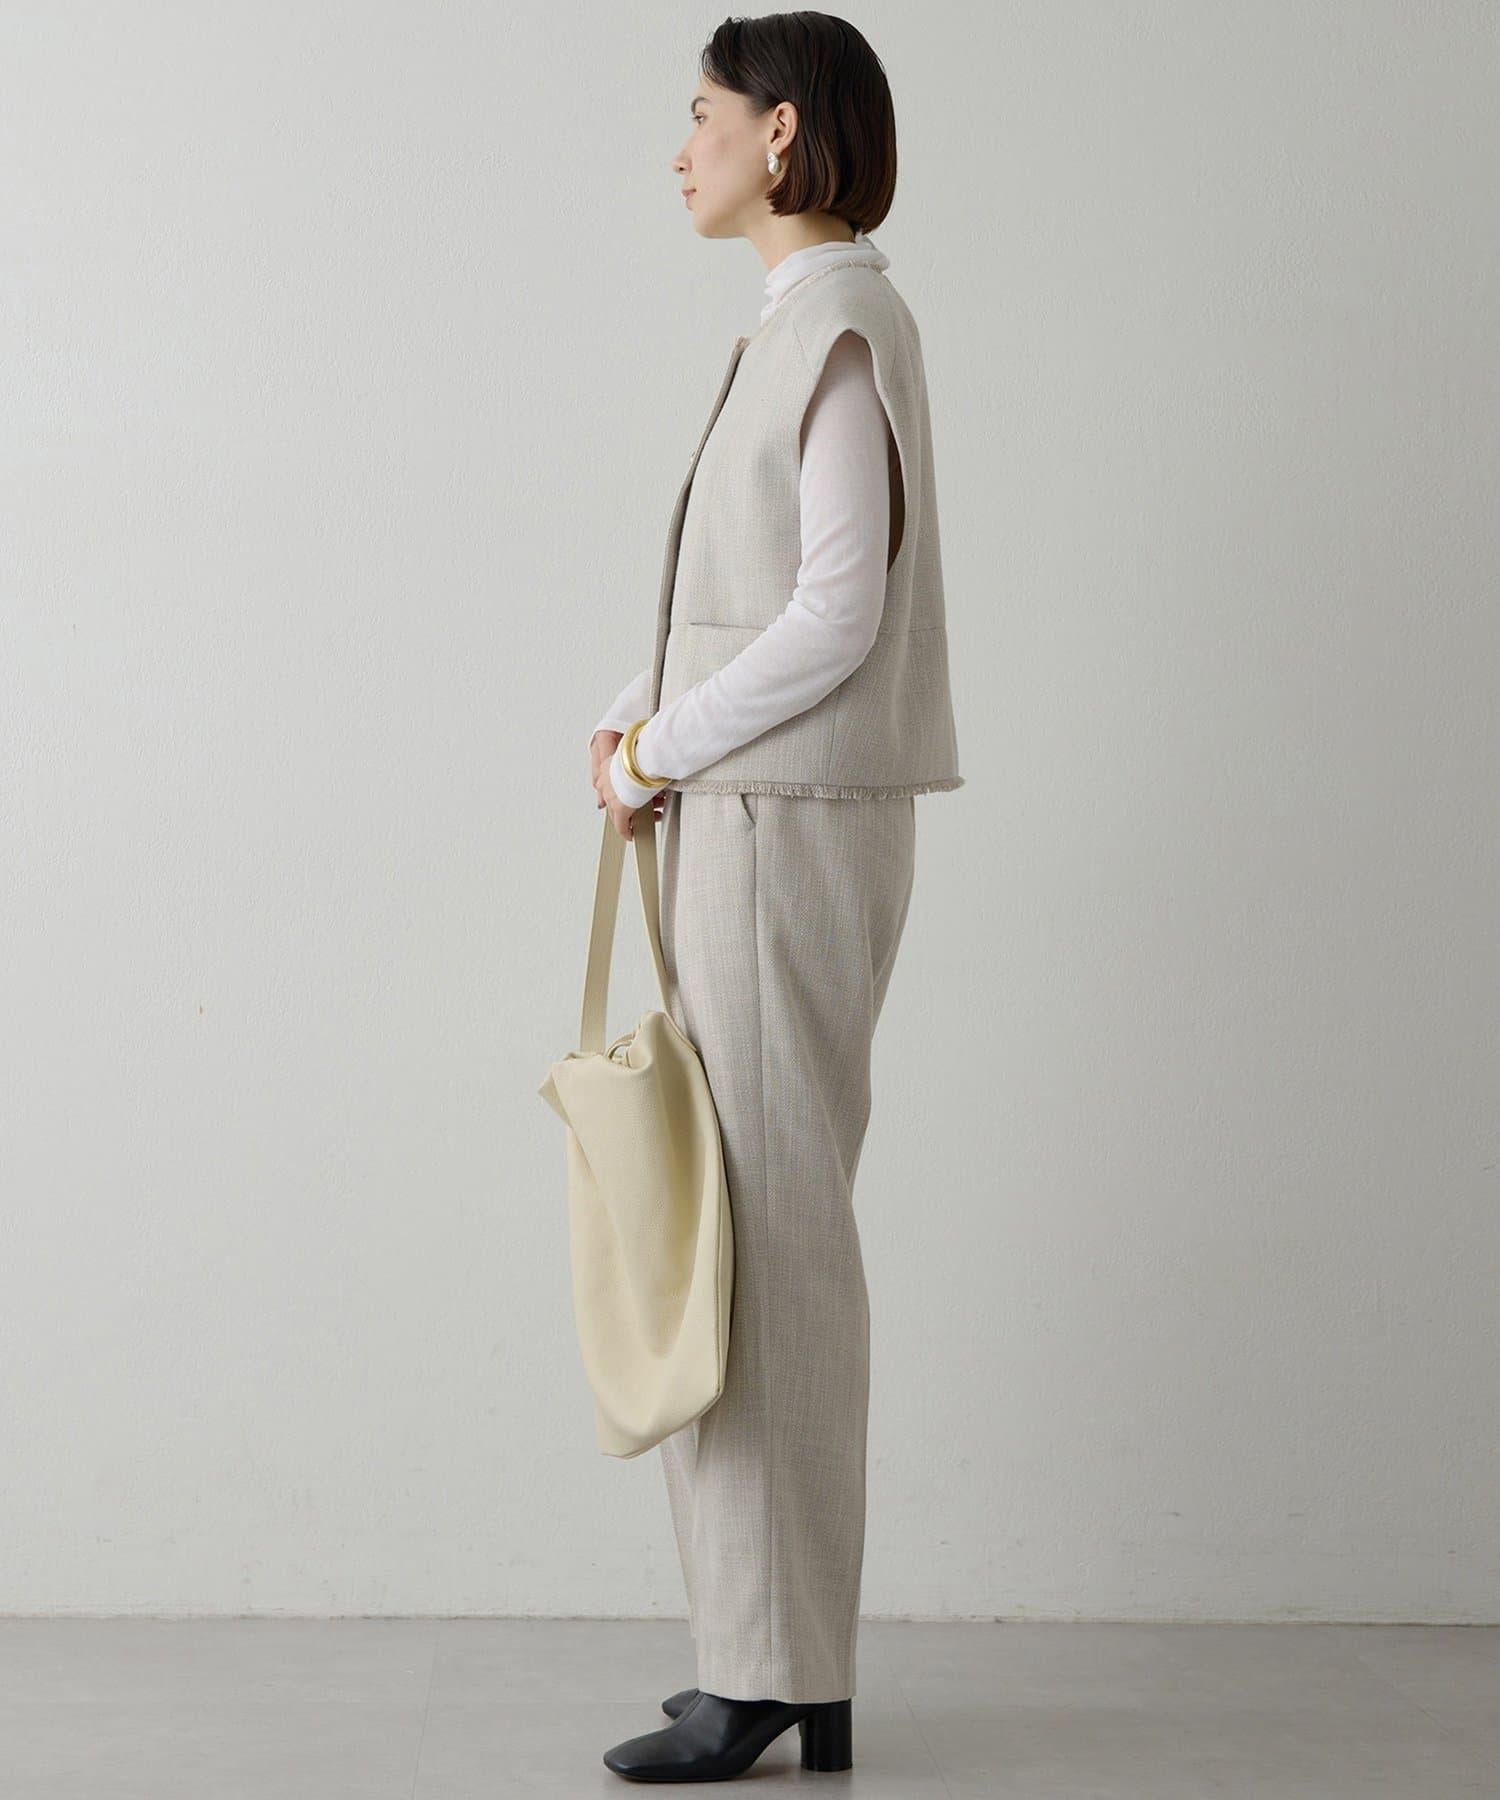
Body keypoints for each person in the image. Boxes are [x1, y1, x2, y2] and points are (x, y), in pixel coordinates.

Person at [589, 14, 963, 1783]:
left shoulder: (836, 322)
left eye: (703, 116)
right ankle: (775, 1658)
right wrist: (640, 720)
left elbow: (836, 612)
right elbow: (763, 599)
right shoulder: (805, 322)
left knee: (768, 1238)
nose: (682, 150)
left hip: (780, 822)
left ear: (783, 133)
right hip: (760, 814)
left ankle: (778, 1666)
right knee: (752, 1231)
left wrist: (655, 748)